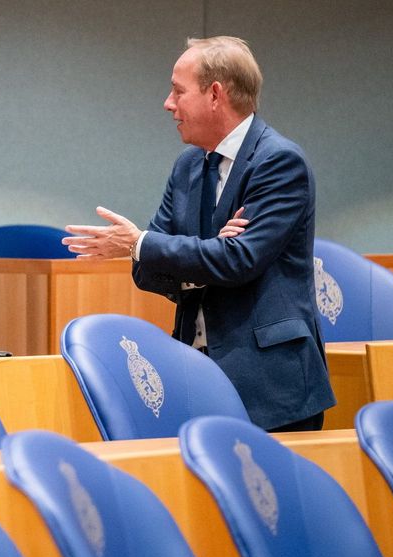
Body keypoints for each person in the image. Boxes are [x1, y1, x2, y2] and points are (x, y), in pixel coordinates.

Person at [62, 36, 334, 432]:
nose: (168, 104)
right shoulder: (187, 165)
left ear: (215, 94)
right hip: (195, 378)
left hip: (271, 387)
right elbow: (148, 272)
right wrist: (205, 255)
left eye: (178, 91)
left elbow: (239, 260)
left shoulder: (278, 162)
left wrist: (142, 244)